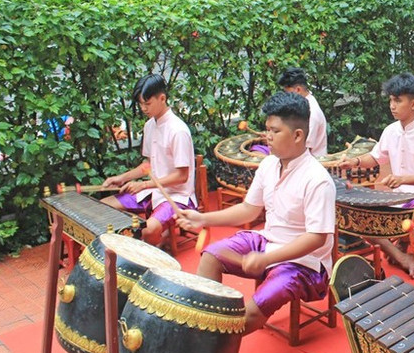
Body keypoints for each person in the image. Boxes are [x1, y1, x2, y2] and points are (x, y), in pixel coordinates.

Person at [177, 91, 336, 335]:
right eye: (267, 129)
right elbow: (249, 209)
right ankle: (205, 331)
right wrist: (202, 218)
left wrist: (266, 259)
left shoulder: (318, 180)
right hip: (268, 242)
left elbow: (317, 238)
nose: (267, 137)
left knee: (250, 313)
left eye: (275, 131)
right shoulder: (269, 164)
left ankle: (211, 349)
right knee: (211, 257)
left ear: (297, 135)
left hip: (305, 264)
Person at [340, 73, 414, 279]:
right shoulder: (390, 130)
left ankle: (399, 245)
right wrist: (355, 162)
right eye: (390, 99)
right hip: (397, 196)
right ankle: (400, 254)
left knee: (388, 219)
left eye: (398, 100)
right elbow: (376, 157)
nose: (392, 105)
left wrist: (401, 179)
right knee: (357, 217)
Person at [102, 74, 197, 245]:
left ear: (162, 98)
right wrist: (122, 178)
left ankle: (154, 256)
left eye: (147, 103)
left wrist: (144, 184)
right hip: (154, 191)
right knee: (102, 208)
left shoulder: (178, 130)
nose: (144, 108)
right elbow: (148, 166)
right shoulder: (150, 125)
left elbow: (182, 176)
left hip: (178, 196)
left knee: (149, 229)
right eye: (141, 104)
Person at [278, 67, 328, 157]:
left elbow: (303, 149)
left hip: (311, 162)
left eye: (287, 92)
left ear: (298, 90)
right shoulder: (304, 103)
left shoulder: (312, 113)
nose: (286, 96)